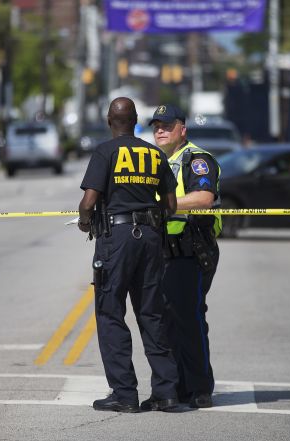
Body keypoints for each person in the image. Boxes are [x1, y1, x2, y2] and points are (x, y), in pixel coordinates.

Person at [78, 97, 180, 413]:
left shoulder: (105, 152)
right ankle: (166, 392)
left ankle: (124, 393)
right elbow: (171, 205)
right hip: (150, 238)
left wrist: (85, 222)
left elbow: (88, 201)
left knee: (110, 313)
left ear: (110, 121)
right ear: (135, 120)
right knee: (151, 314)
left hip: (116, 239)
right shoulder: (152, 153)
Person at [149, 104, 221, 409]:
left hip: (190, 251)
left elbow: (203, 199)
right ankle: (176, 386)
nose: (160, 130)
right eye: (156, 126)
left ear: (183, 129)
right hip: (162, 252)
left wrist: (164, 206)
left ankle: (200, 388)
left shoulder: (197, 159)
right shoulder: (155, 161)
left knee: (188, 320)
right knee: (165, 323)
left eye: (167, 125)